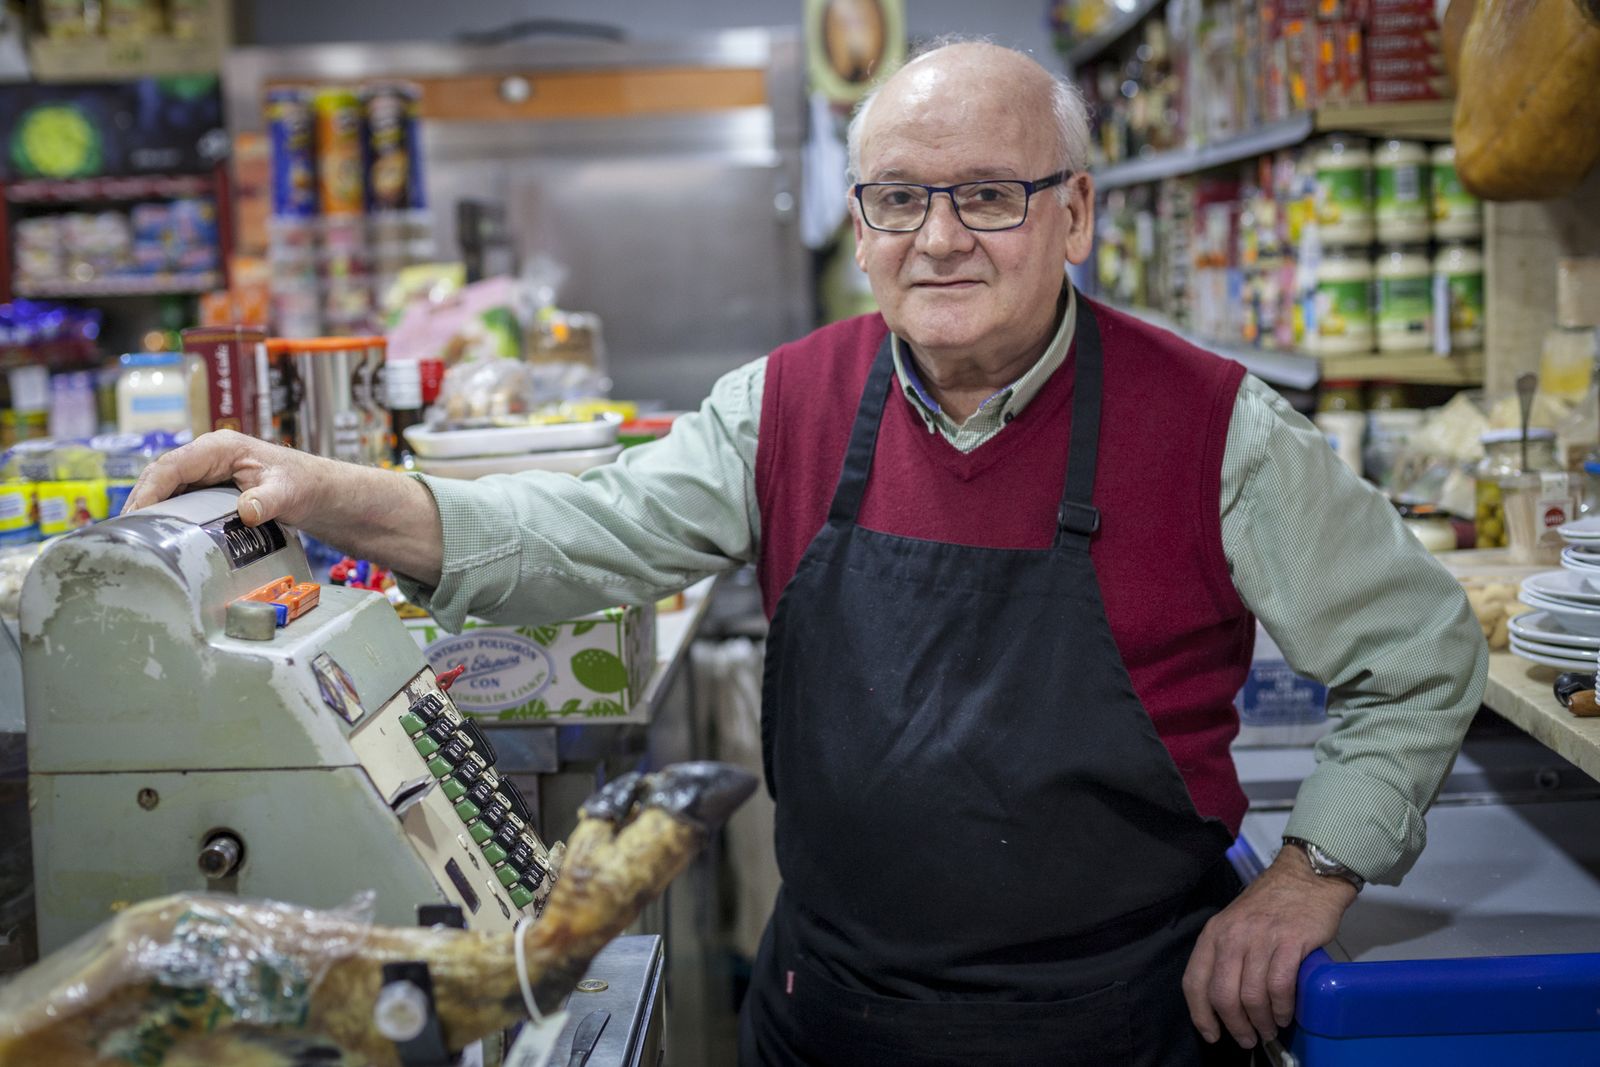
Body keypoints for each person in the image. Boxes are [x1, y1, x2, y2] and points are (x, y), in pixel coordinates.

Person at [127, 39, 1487, 1067]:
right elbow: (577, 535)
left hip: (1117, 1017)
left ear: (1076, 215)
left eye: (989, 197)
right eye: (898, 199)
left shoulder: (1214, 426)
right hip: (833, 1014)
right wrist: (325, 488)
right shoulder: (781, 401)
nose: (938, 237)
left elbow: (1419, 654)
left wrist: (1313, 877)